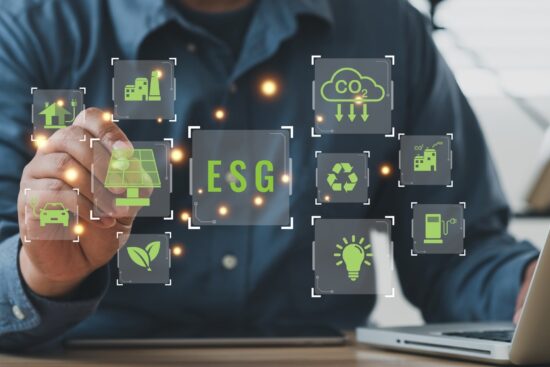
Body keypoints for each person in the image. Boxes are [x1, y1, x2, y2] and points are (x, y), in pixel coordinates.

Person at [0, 0, 539, 352]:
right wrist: (43, 273)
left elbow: (456, 253)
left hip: (322, 355)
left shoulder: (391, 28)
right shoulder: (26, 30)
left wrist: (528, 292)